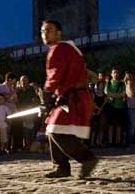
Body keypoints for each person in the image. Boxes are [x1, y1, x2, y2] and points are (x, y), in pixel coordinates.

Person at [39, 20, 97, 178]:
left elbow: (55, 75)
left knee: (56, 131)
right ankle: (61, 167)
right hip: (68, 97)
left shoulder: (59, 49)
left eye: (49, 30)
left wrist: (46, 95)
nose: (45, 34)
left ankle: (87, 159)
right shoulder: (67, 48)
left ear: (59, 33)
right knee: (52, 129)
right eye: (43, 31)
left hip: (73, 97)